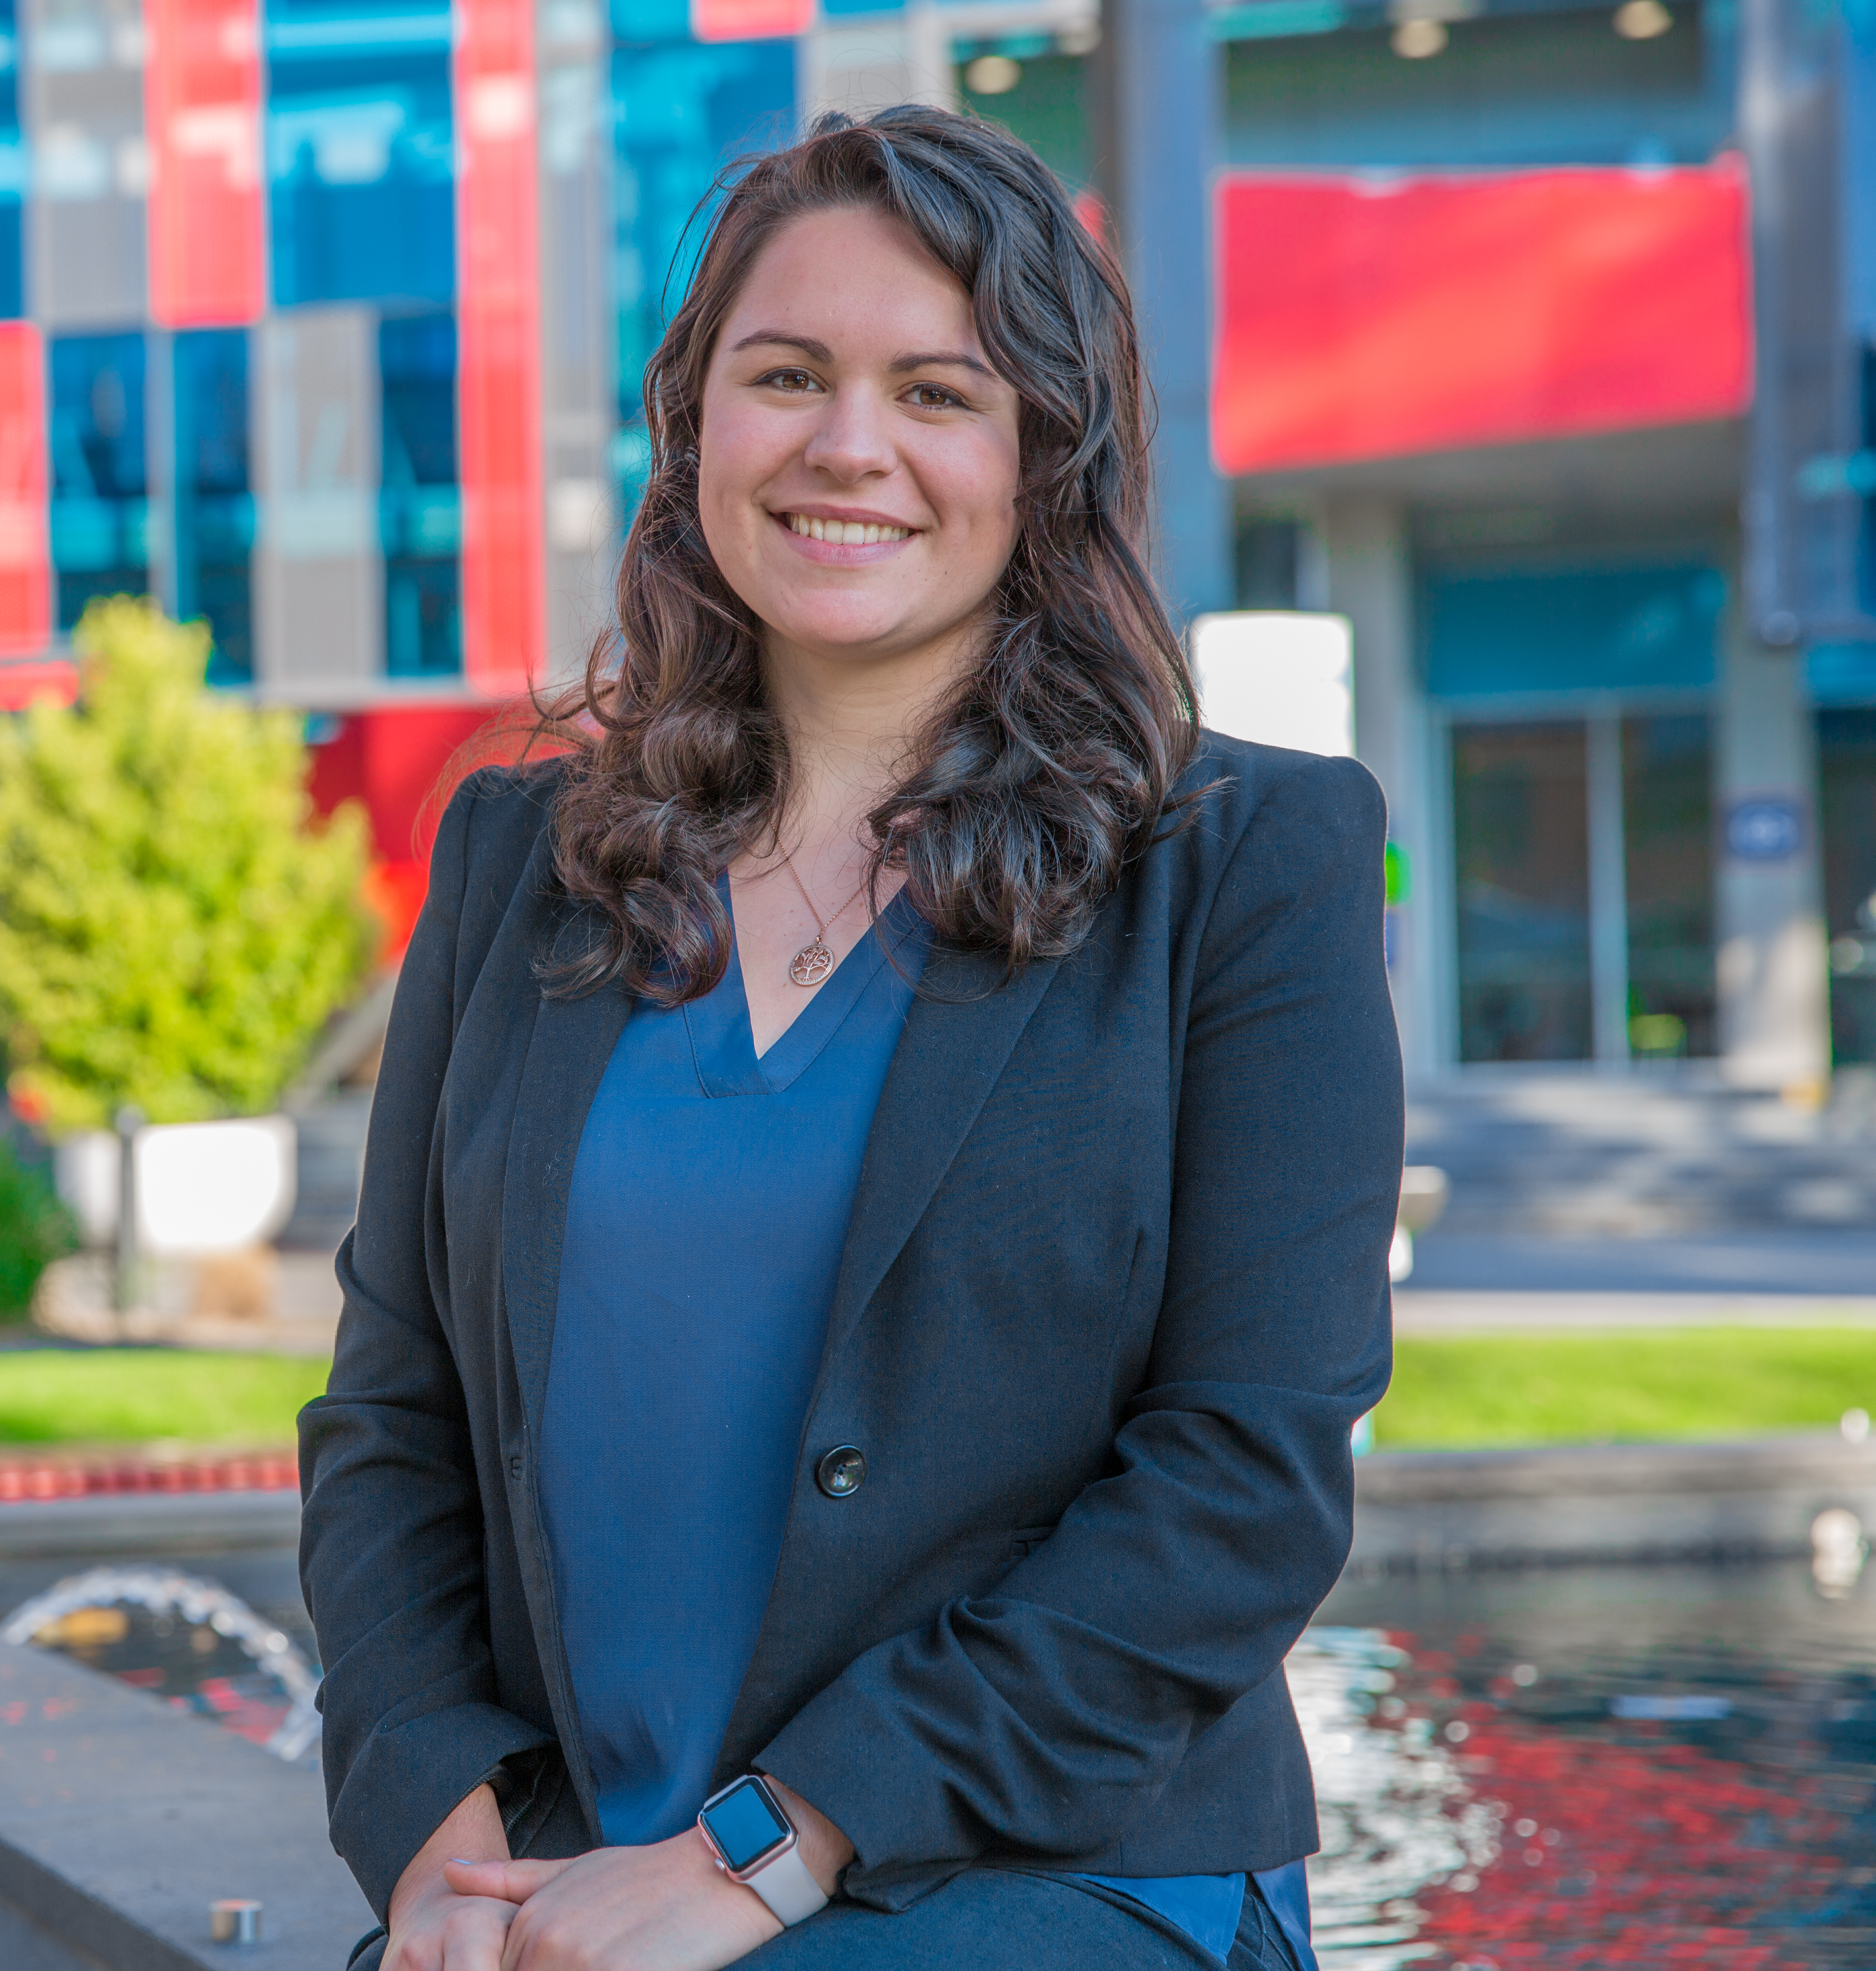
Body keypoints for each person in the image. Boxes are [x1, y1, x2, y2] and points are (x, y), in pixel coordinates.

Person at [296, 104, 1398, 1971]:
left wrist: (763, 1854)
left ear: (1048, 446)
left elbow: (1241, 1482)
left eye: (939, 393)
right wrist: (430, 1815)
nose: (848, 447)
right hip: (571, 1874)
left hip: (1047, 1872)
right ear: (697, 428)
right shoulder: (516, 861)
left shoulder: (1247, 865)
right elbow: (390, 1418)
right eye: (786, 375)